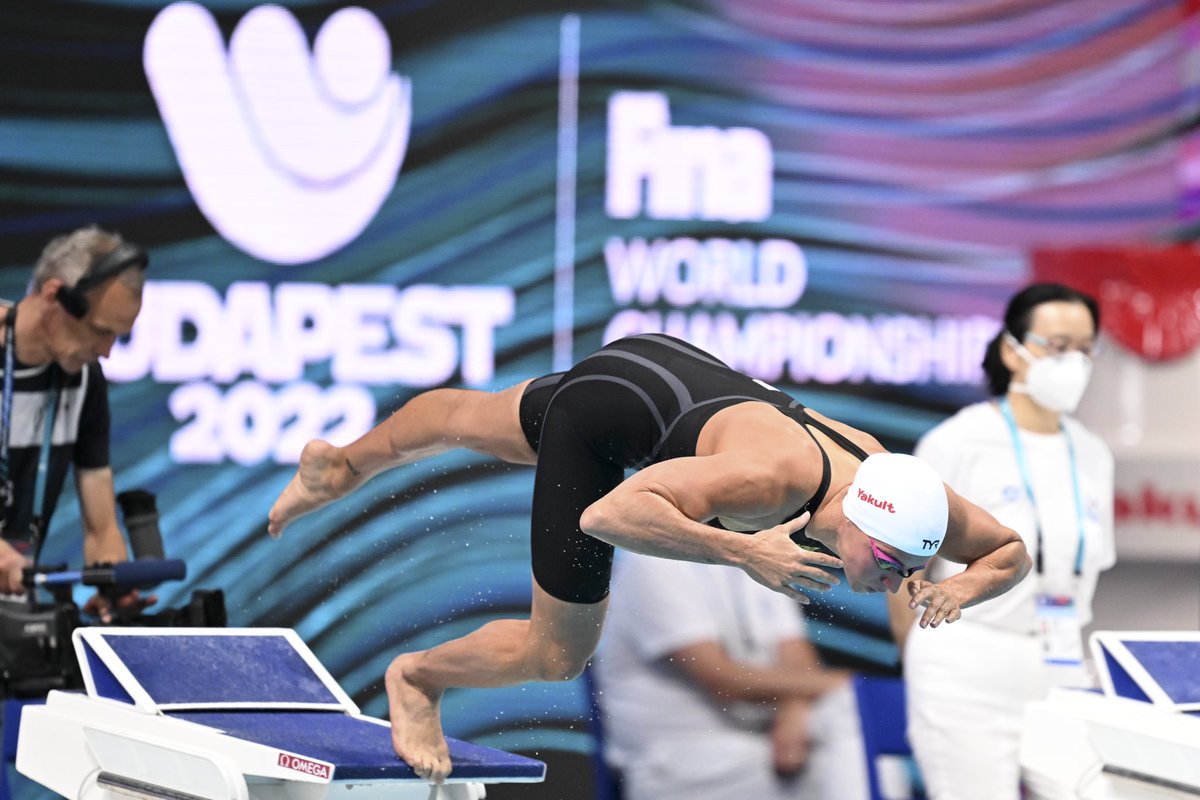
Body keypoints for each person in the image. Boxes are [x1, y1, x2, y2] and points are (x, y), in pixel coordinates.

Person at [268, 332, 1032, 782]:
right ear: (861, 524)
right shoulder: (766, 481)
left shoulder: (912, 494)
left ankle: (342, 464)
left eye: (913, 570)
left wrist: (964, 588)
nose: (899, 584)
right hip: (607, 420)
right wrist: (740, 551)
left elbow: (1010, 550)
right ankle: (417, 678)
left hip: (661, 367)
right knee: (558, 654)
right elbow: (611, 512)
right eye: (895, 566)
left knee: (474, 419)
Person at [887, 283, 1114, 800]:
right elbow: (900, 572)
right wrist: (919, 661)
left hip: (1060, 661)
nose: (1074, 362)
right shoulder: (957, 442)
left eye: (1085, 348)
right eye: (1058, 346)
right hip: (964, 664)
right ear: (1012, 349)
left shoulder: (1094, 454)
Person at [592, 549, 869, 800]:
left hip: (760, 743)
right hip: (679, 761)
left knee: (855, 714)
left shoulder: (755, 555)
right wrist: (843, 682)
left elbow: (798, 660)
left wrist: (794, 712)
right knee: (864, 755)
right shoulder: (650, 561)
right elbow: (723, 679)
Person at [0, 225, 155, 622]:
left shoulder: (84, 380)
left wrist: (113, 590)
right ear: (54, 296)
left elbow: (101, 528)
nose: (105, 352)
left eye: (117, 338)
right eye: (100, 332)